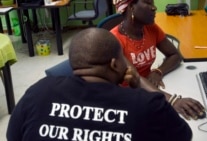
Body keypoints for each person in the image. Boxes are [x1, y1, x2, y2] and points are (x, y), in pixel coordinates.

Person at [7, 28, 192, 141]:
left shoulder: (39, 92)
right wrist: (137, 86)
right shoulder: (147, 105)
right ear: (115, 64)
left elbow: (13, 137)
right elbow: (183, 136)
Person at [110, 0, 205, 120]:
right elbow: (136, 78)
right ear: (131, 7)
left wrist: (158, 71)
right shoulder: (114, 40)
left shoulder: (151, 28)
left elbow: (174, 55)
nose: (154, 8)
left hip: (152, 89)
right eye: (148, 3)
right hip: (126, 98)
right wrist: (173, 100)